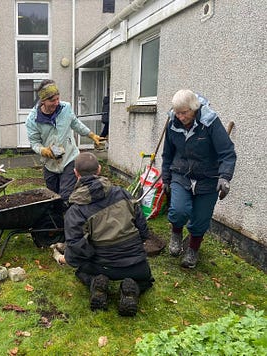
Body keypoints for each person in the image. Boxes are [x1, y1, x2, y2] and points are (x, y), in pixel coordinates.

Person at [53, 152, 154, 316]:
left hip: (102, 266)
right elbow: (143, 230)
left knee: (81, 271)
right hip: (136, 265)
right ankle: (133, 288)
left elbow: (78, 248)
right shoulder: (123, 194)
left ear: (76, 173)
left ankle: (96, 284)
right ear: (99, 169)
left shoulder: (75, 210)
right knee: (145, 279)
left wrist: (66, 258)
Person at [161, 89, 236, 269]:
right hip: (181, 173)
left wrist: (224, 177)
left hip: (208, 177)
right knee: (179, 210)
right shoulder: (173, 123)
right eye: (177, 112)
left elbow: (227, 153)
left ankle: (193, 250)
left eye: (184, 112)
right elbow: (167, 154)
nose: (180, 117)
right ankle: (176, 234)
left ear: (194, 108)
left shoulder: (210, 122)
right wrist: (166, 178)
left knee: (201, 218)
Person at [25, 79, 103, 203]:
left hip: (69, 158)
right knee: (53, 196)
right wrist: (43, 150)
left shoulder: (65, 108)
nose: (56, 103)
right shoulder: (32, 119)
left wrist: (91, 134)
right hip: (50, 163)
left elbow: (75, 123)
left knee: (66, 195)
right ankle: (57, 219)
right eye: (52, 100)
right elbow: (34, 142)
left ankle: (69, 219)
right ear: (43, 101)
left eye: (57, 99)